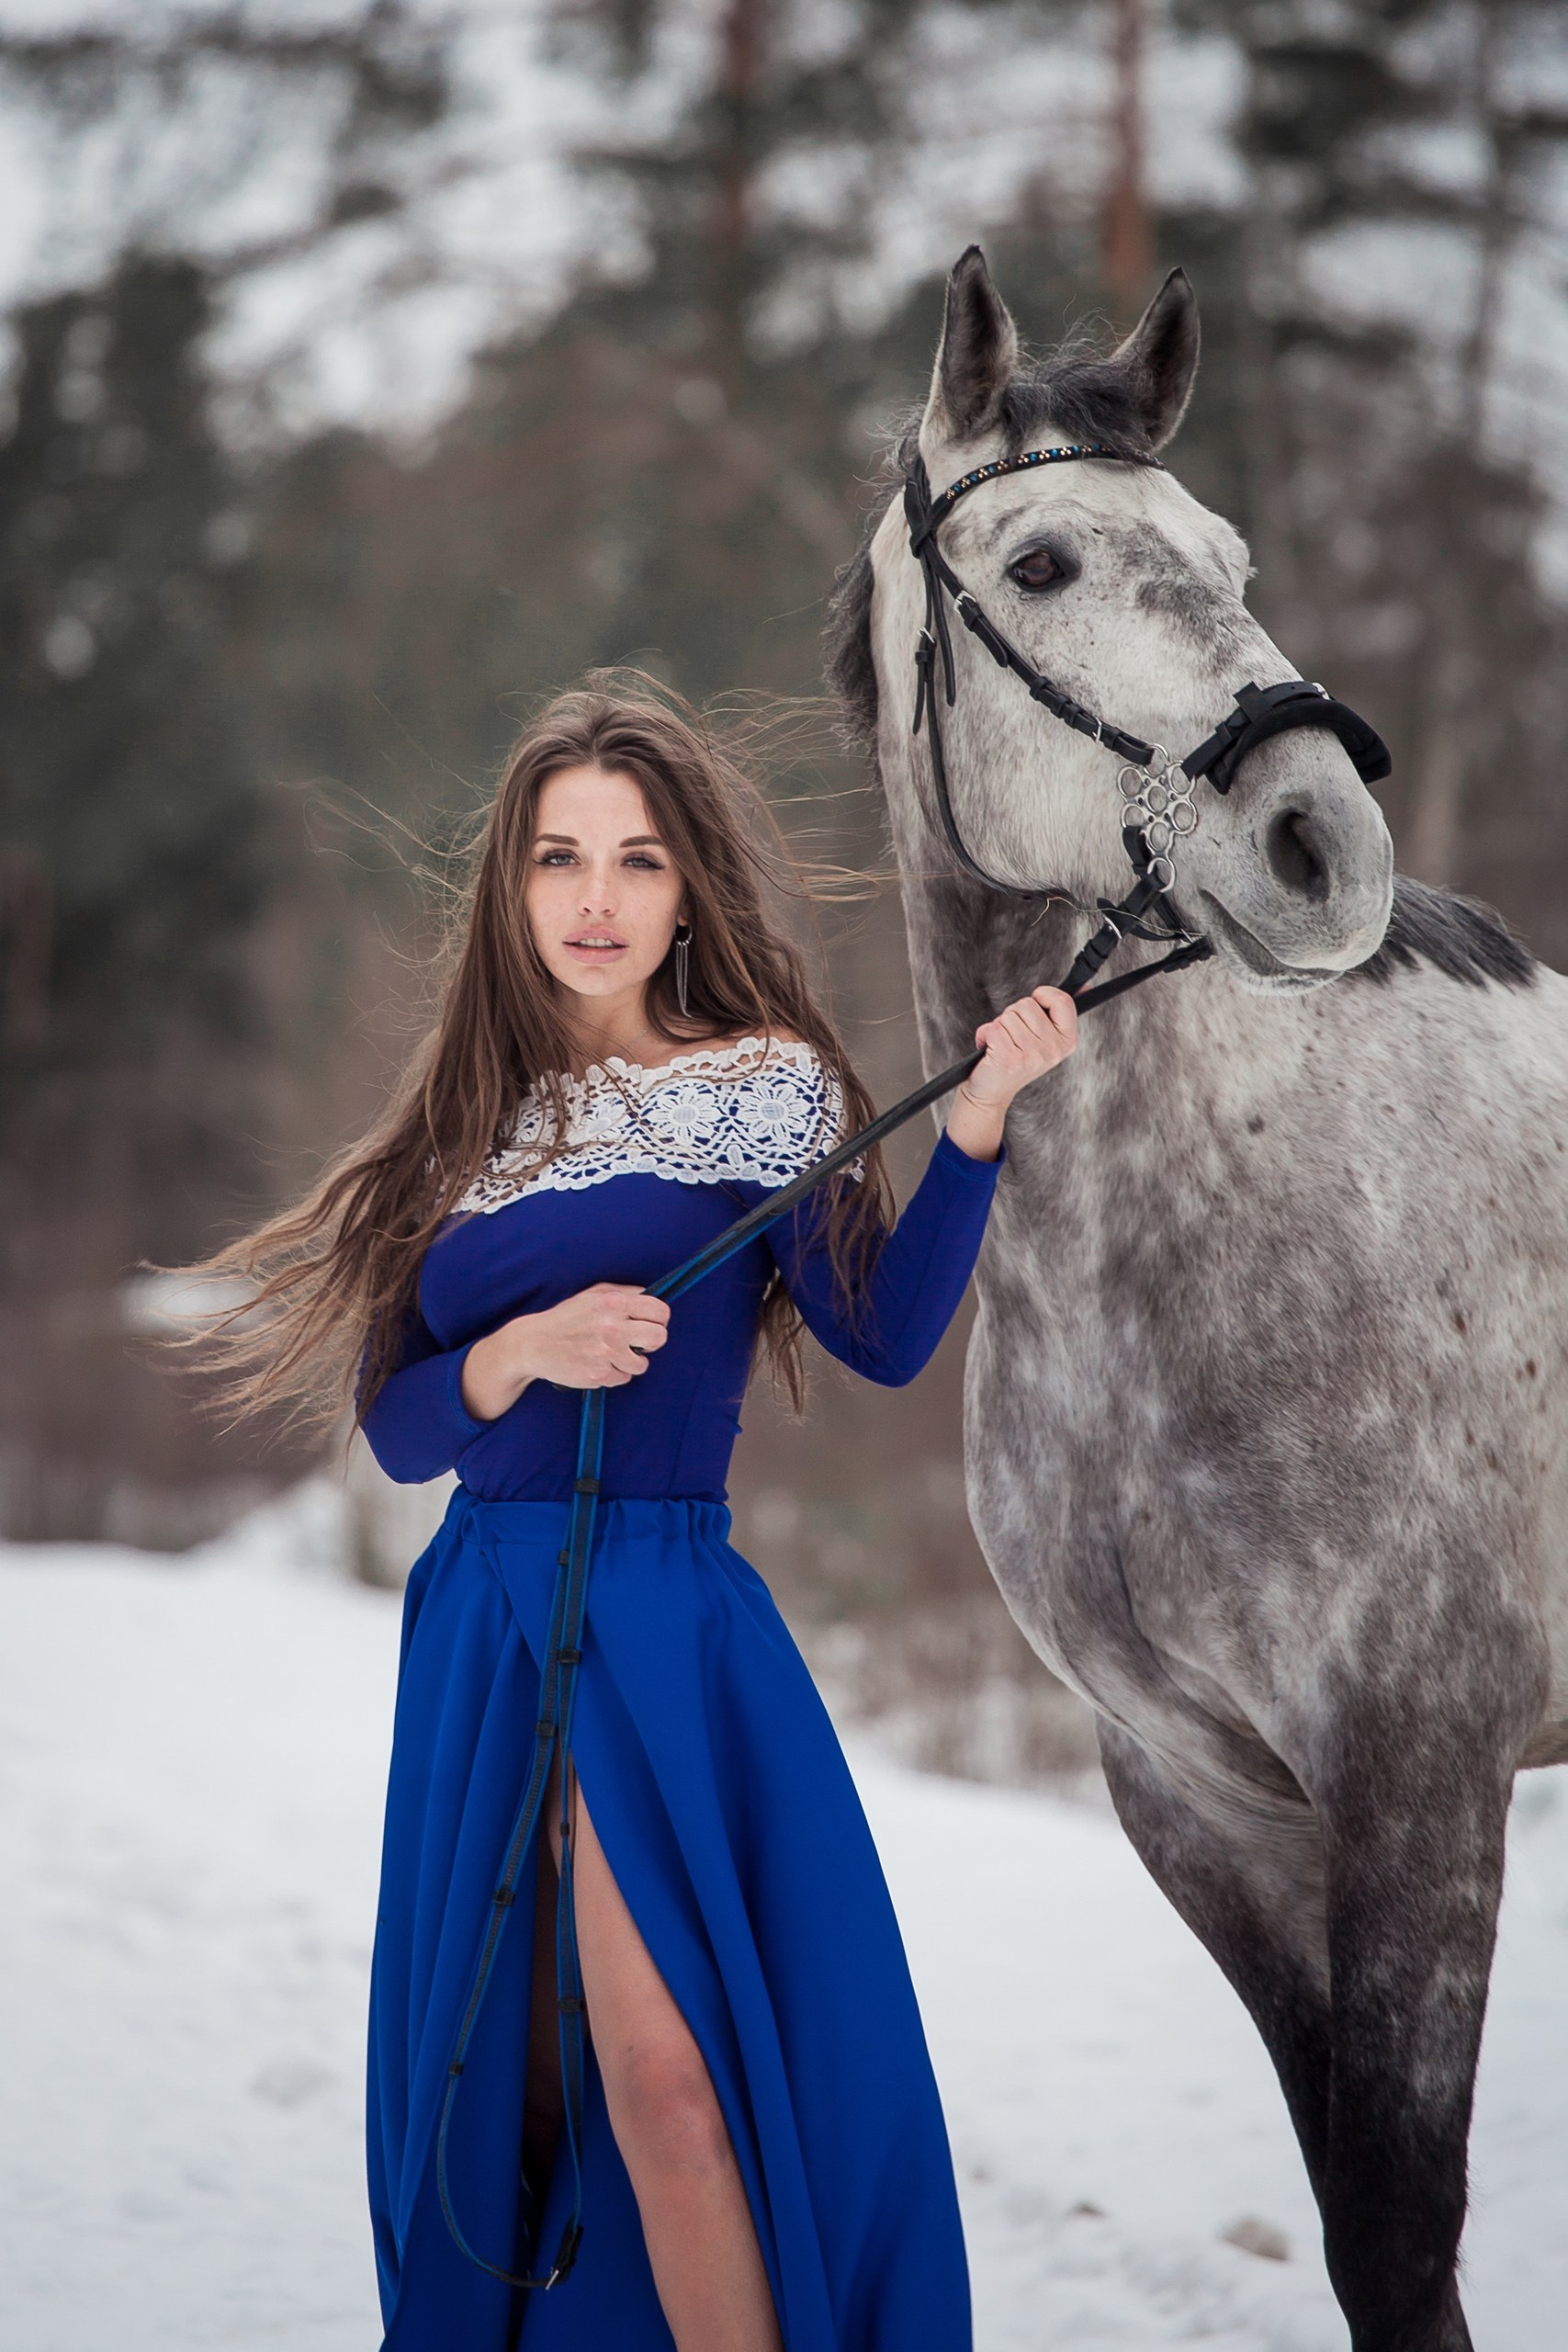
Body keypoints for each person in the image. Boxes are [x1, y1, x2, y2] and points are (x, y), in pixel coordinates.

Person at [197, 684, 1077, 2351]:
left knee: (672, 2079)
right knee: (516, 2090)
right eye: (559, 860)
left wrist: (969, 1131)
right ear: (513, 888)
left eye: (638, 861)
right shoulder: (460, 1134)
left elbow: (880, 1341)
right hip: (482, 1623)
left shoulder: (765, 1093)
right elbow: (397, 1428)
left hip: (665, 1628)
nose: (596, 900)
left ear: (687, 891)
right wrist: (520, 1351)